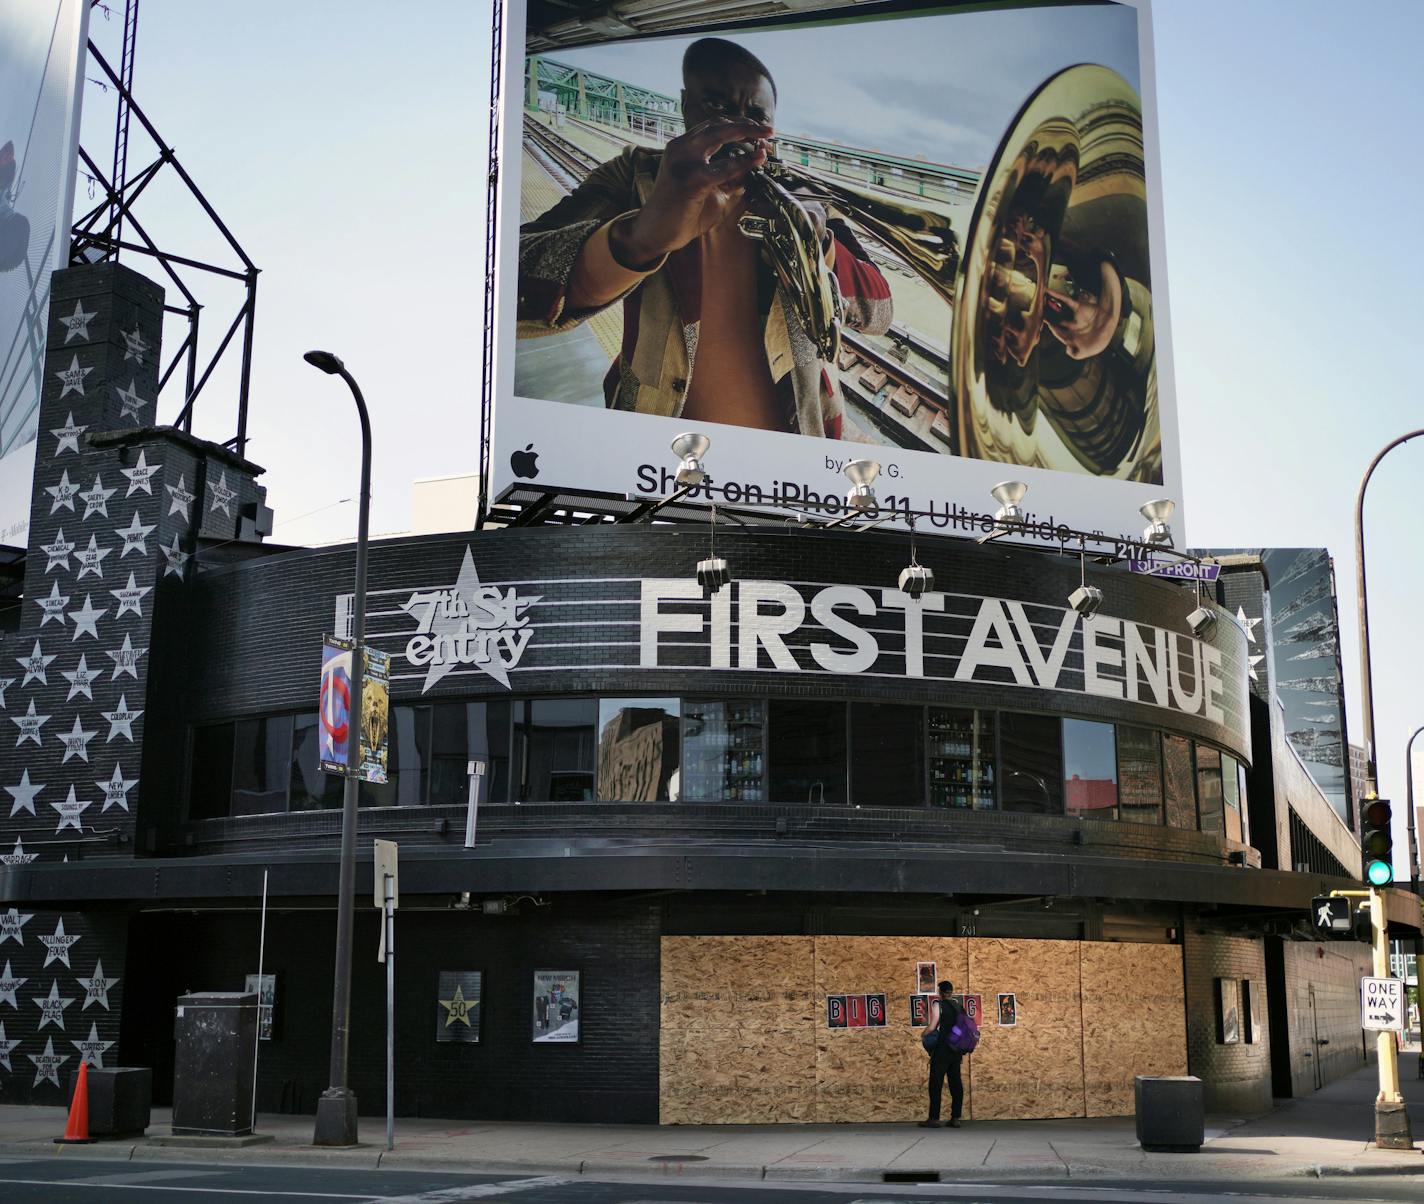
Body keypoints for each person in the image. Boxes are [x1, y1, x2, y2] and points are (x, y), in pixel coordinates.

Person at [518, 37, 892, 438]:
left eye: (755, 114)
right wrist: (641, 237)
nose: (737, 126)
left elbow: (879, 315)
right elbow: (512, 292)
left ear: (770, 126)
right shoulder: (636, 175)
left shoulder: (802, 196)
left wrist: (819, 246)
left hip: (797, 446)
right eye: (717, 106)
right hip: (665, 450)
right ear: (684, 104)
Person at [920, 979, 964, 1128]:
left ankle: (934, 1118)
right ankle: (955, 1118)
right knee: (956, 1083)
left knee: (936, 1083)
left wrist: (923, 1034)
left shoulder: (939, 1005)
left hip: (942, 1050)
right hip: (956, 1050)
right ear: (951, 991)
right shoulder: (958, 1006)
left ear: (940, 992)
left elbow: (933, 1026)